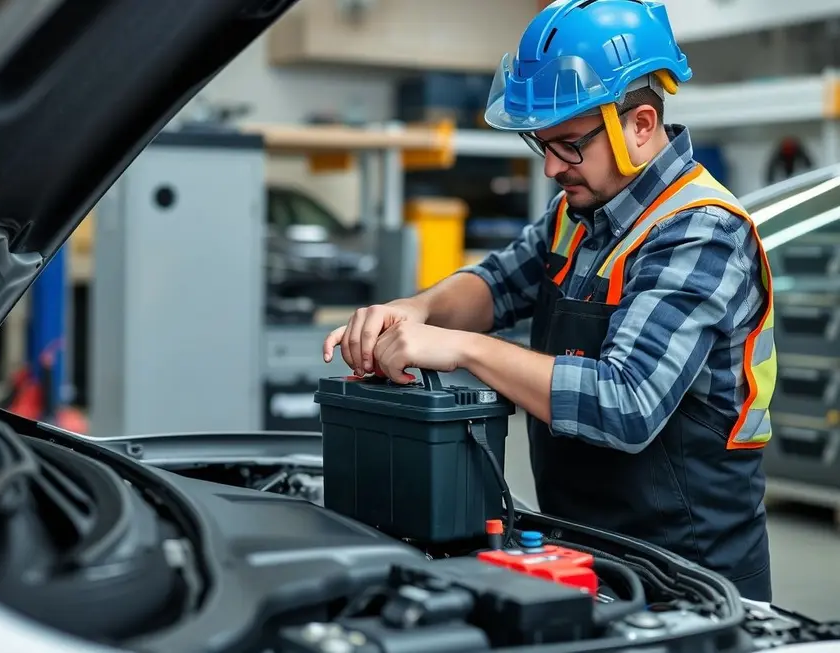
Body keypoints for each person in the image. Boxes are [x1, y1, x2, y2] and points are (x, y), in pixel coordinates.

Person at [321, 0, 777, 602]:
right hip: (586, 550)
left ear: (640, 125)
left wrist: (460, 348)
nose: (553, 169)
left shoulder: (699, 232)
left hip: (689, 576)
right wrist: (417, 311)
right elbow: (495, 284)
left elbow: (626, 404)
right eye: (544, 146)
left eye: (569, 145)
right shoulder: (579, 212)